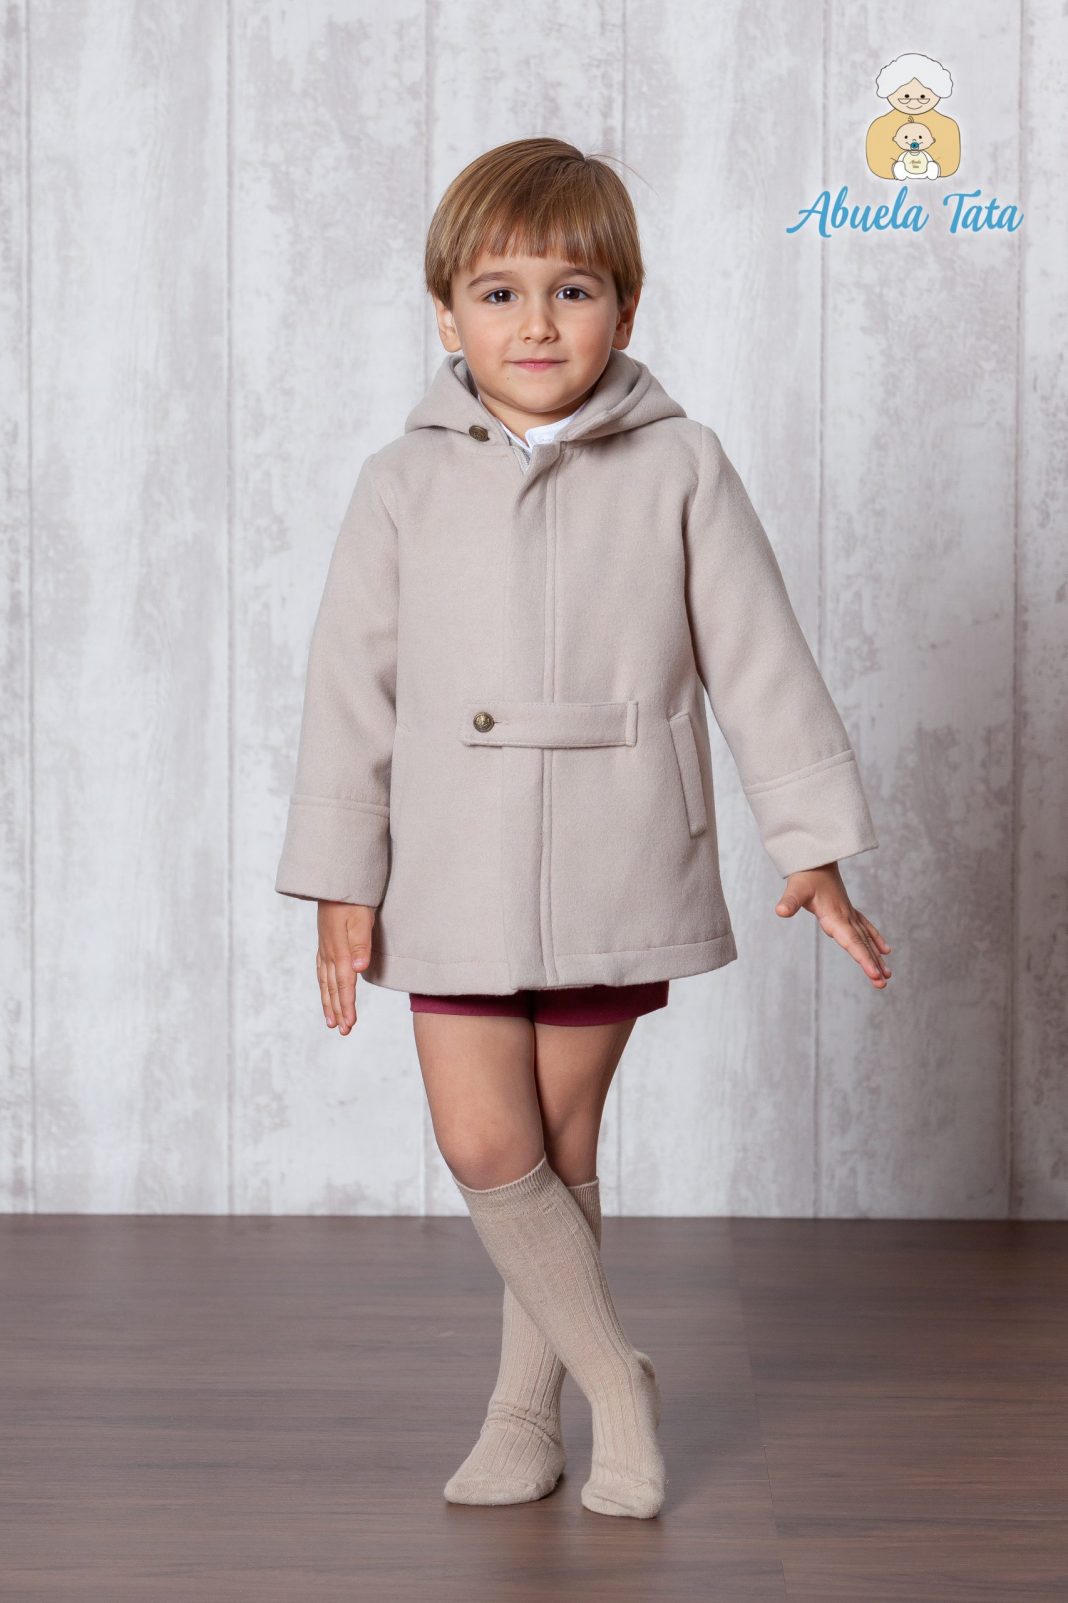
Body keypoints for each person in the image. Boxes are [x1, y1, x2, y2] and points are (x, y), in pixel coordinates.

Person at [274, 137, 891, 1519]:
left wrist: (810, 846)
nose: (537, 323)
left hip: (621, 845)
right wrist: (340, 877)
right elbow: (349, 687)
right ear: (447, 316)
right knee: (484, 1146)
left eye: (573, 290)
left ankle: (521, 1417)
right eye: (498, 293)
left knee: (557, 1143)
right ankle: (617, 1382)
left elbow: (759, 658)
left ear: (626, 306)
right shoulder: (400, 481)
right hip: (452, 861)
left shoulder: (683, 464)